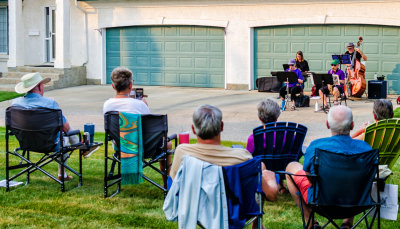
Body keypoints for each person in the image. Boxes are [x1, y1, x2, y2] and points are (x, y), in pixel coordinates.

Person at [285, 105, 373, 229]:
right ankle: (347, 224)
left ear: (327, 124)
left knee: (291, 166)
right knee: (351, 178)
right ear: (352, 125)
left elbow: (309, 177)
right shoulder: (365, 149)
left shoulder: (316, 146)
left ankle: (311, 223)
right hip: (357, 202)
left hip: (320, 202)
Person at [170, 104, 278, 202]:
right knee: (262, 168)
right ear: (222, 126)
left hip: (196, 210)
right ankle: (256, 224)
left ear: (193, 129)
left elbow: (175, 184)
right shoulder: (242, 157)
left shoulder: (182, 152)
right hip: (234, 211)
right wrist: (269, 178)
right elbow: (271, 195)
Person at [103, 67, 171, 186]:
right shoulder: (140, 105)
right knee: (168, 143)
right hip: (146, 149)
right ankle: (166, 184)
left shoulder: (107, 105)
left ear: (113, 86)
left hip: (121, 147)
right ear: (130, 85)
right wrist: (144, 104)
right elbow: (149, 128)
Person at [12, 72, 82, 181]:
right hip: (50, 144)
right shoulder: (50, 104)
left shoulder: (15, 104)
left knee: (64, 133)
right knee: (65, 135)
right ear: (40, 86)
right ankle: (79, 151)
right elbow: (66, 128)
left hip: (26, 143)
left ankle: (82, 147)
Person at [246, 98, 288, 194]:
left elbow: (248, 158)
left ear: (259, 118)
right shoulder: (288, 135)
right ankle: (281, 184)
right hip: (283, 168)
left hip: (263, 170)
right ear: (277, 117)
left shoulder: (254, 138)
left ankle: (276, 184)